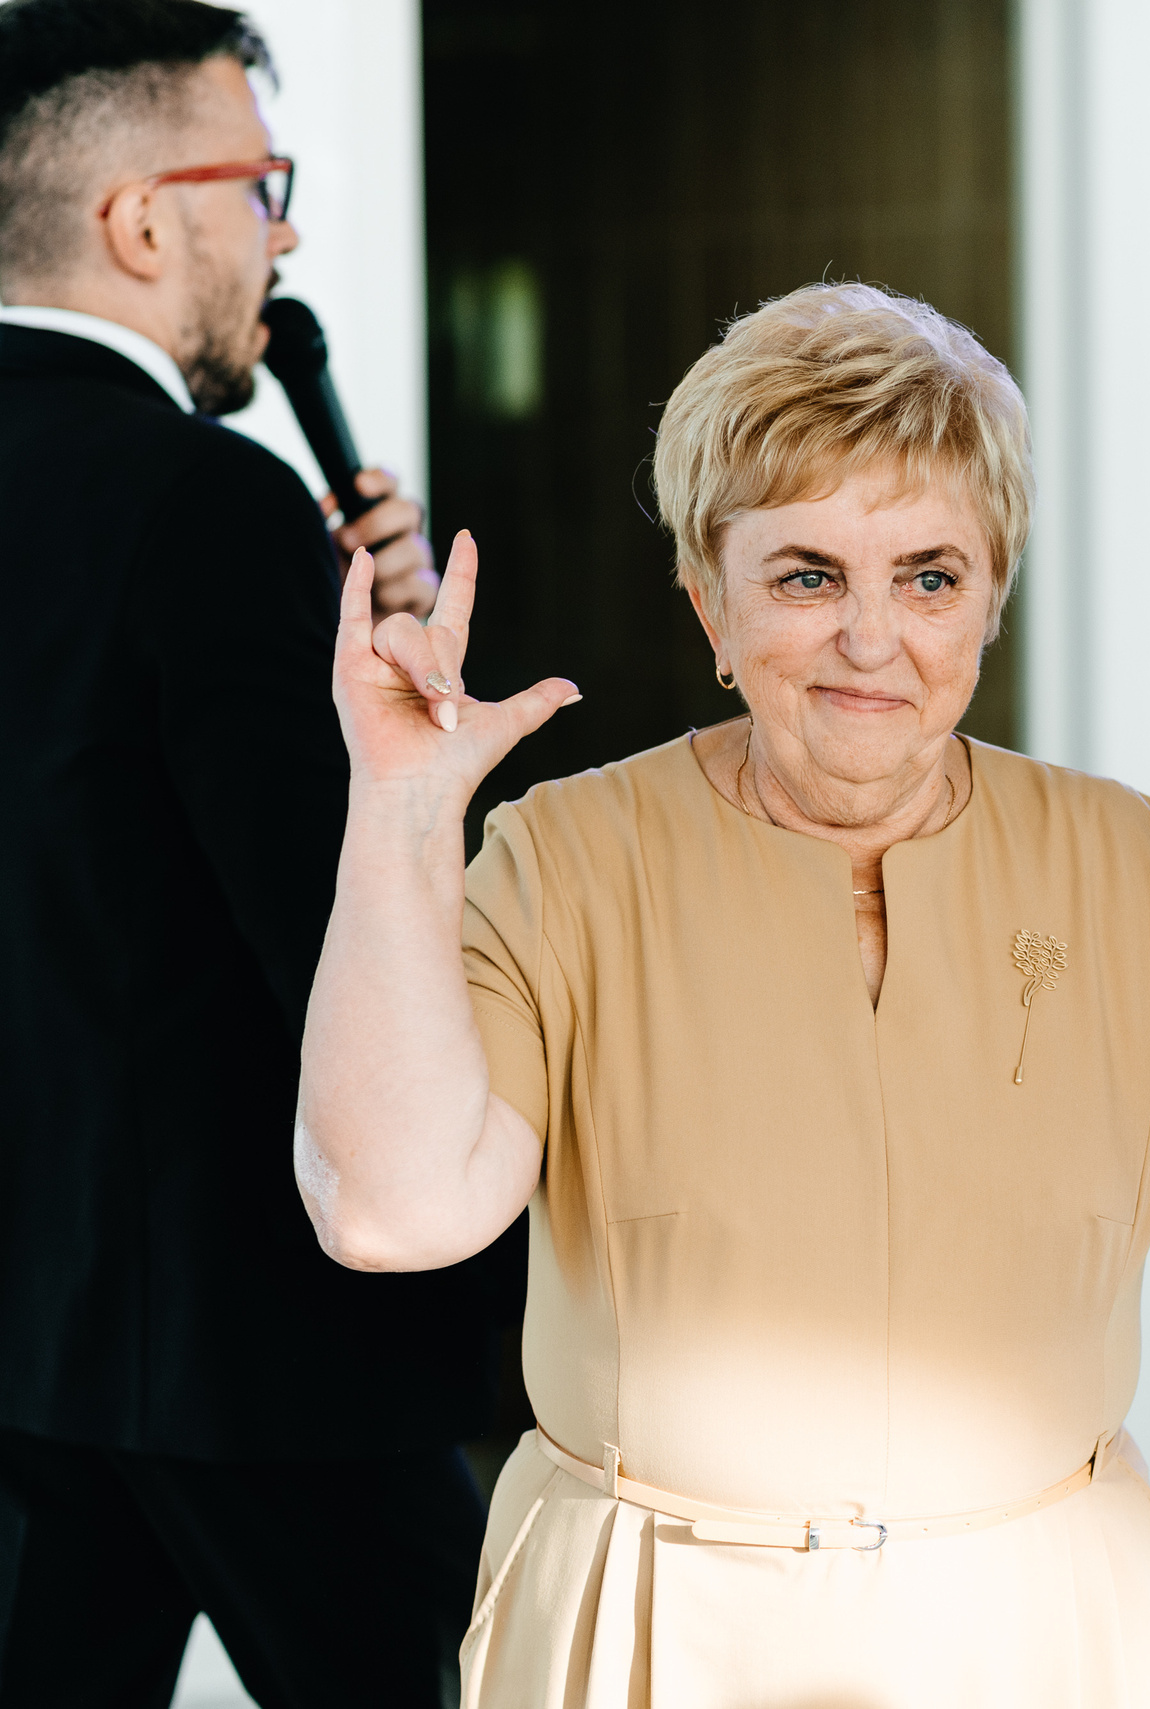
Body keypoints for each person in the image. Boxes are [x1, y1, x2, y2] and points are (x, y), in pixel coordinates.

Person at [292, 280, 1150, 1707]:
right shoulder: (569, 852)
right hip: (658, 1628)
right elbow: (390, 1210)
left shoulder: (1129, 859)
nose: (872, 638)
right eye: (806, 576)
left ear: (991, 599)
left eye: (929, 575)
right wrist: (400, 815)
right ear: (706, 598)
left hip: (1034, 1632)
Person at [0, 2, 493, 1704]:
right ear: (142, 218)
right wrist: (418, 758)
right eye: (259, 184)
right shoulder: (204, 500)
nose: (281, 233)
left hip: (30, 1340)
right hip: (260, 1350)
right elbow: (338, 927)